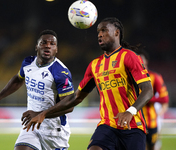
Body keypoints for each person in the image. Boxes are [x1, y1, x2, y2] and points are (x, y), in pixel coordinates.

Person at [23, 17, 154, 150]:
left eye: (104, 30)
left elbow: (148, 90)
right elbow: (75, 98)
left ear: (116, 32)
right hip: (107, 126)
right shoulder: (95, 65)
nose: (100, 35)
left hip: (133, 127)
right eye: (98, 32)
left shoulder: (129, 56)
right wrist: (43, 113)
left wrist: (129, 111)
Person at [0, 29, 75, 150]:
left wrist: (40, 114)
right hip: (32, 125)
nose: (48, 46)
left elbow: (69, 106)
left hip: (54, 131)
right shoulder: (28, 63)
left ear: (56, 49)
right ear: (36, 46)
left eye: (52, 44)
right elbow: (18, 79)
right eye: (44, 42)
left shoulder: (61, 72)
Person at [137, 47, 169, 150]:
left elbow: (164, 99)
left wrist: (147, 99)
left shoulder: (155, 77)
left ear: (146, 61)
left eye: (143, 60)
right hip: (134, 122)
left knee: (152, 147)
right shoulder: (130, 78)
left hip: (151, 121)